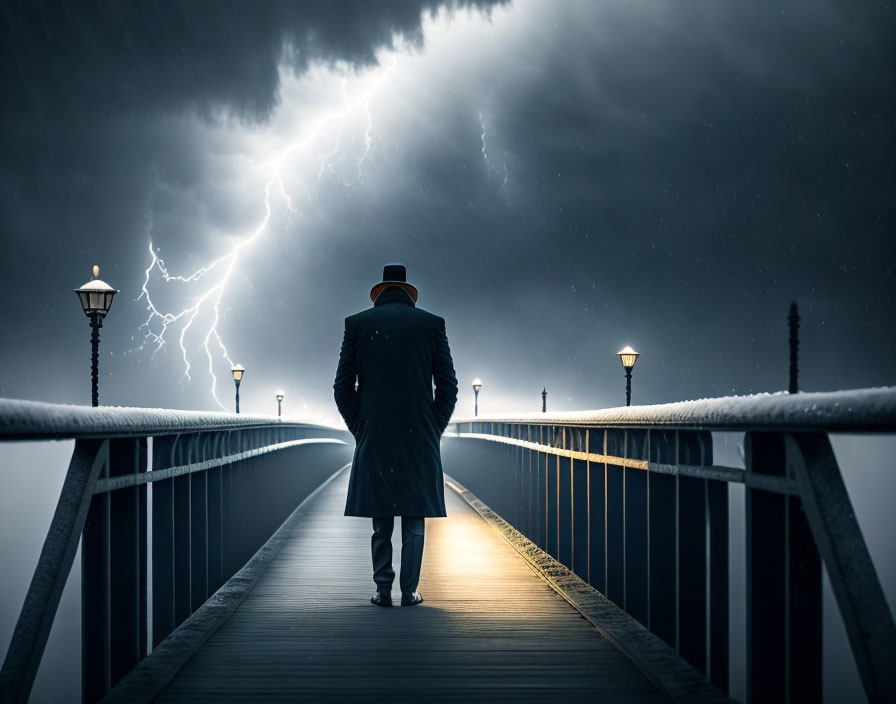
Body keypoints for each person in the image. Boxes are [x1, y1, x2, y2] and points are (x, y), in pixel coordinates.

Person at [333, 264, 458, 606]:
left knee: (381, 516)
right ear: (408, 293)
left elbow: (342, 389)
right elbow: (448, 387)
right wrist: (433, 428)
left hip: (376, 434)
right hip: (419, 435)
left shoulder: (357, 325)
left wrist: (362, 426)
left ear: (379, 293)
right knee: (414, 514)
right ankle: (410, 590)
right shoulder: (432, 325)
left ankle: (382, 589)